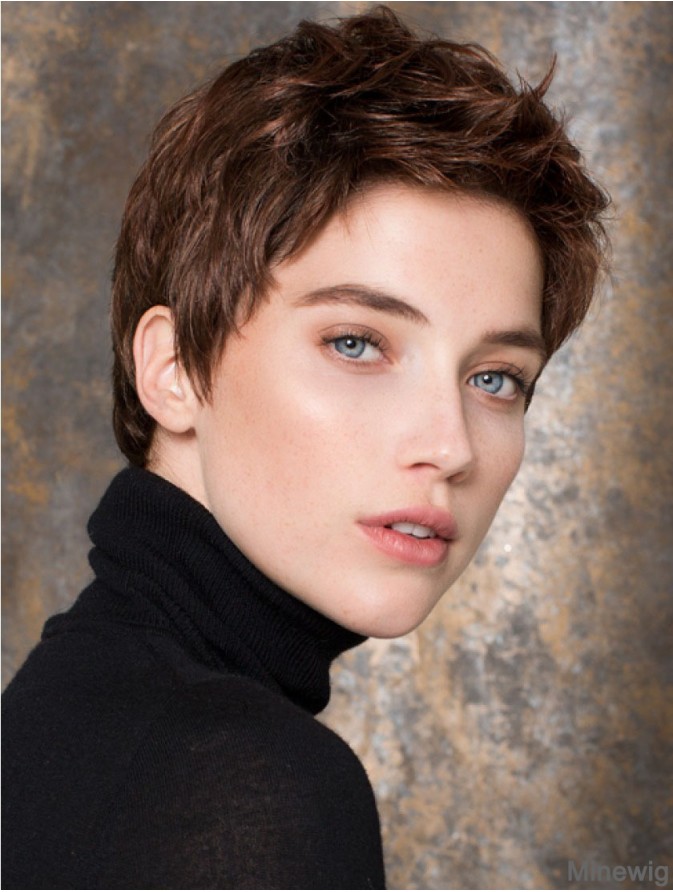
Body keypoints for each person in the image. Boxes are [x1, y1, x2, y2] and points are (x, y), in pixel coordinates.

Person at [2, 6, 608, 889]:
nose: (450, 446)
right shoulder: (245, 784)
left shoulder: (69, 712)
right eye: (356, 343)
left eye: (495, 378)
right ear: (173, 369)